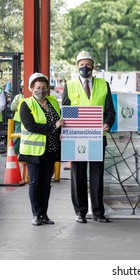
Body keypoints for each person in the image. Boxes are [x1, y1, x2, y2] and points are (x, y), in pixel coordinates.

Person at [62, 50, 116, 224]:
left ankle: (98, 212)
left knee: (96, 176)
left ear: (93, 66)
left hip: (97, 137)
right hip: (76, 138)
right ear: (77, 66)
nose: (85, 67)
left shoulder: (103, 84)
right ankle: (80, 212)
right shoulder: (69, 86)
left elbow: (110, 111)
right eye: (82, 64)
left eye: (88, 64)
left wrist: (108, 123)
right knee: (77, 175)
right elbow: (65, 111)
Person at [19, 73, 63, 226]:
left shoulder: (53, 102)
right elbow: (31, 126)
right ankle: (36, 214)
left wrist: (61, 132)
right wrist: (54, 127)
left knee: (46, 183)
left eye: (44, 87)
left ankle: (44, 214)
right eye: (38, 87)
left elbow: (61, 120)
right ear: (31, 88)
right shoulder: (26, 104)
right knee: (35, 183)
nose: (41, 90)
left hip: (50, 149)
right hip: (34, 152)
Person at [10, 82, 24, 154]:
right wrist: (19, 103)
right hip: (19, 120)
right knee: (17, 138)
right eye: (23, 87)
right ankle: (13, 154)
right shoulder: (18, 97)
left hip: (27, 121)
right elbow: (12, 107)